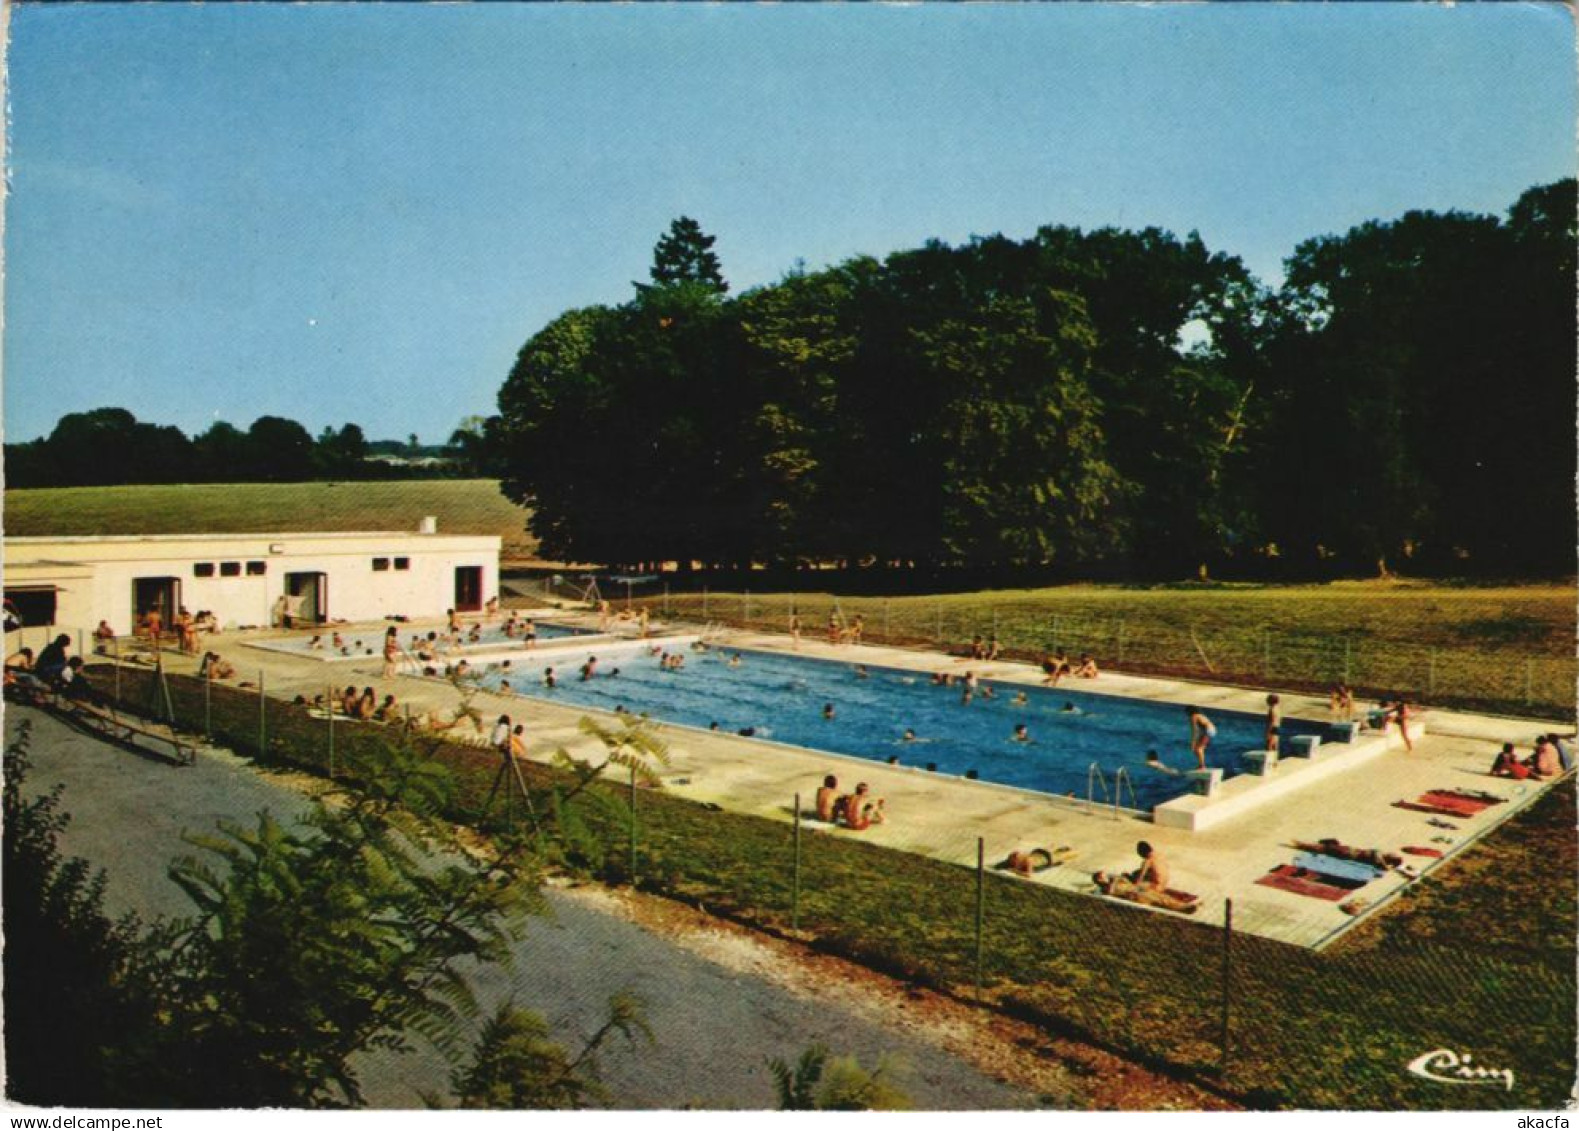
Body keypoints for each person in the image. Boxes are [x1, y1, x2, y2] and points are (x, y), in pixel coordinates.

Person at [1092, 871, 1198, 914]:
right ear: (1100, 880)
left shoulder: (1114, 881)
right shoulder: (1106, 887)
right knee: (1160, 900)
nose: (1107, 876)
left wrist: (1123, 877)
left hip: (1138, 889)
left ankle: (1183, 905)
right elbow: (1109, 891)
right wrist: (1116, 880)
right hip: (1136, 894)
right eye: (1103, 875)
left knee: (1162, 896)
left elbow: (1128, 882)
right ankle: (1183, 908)